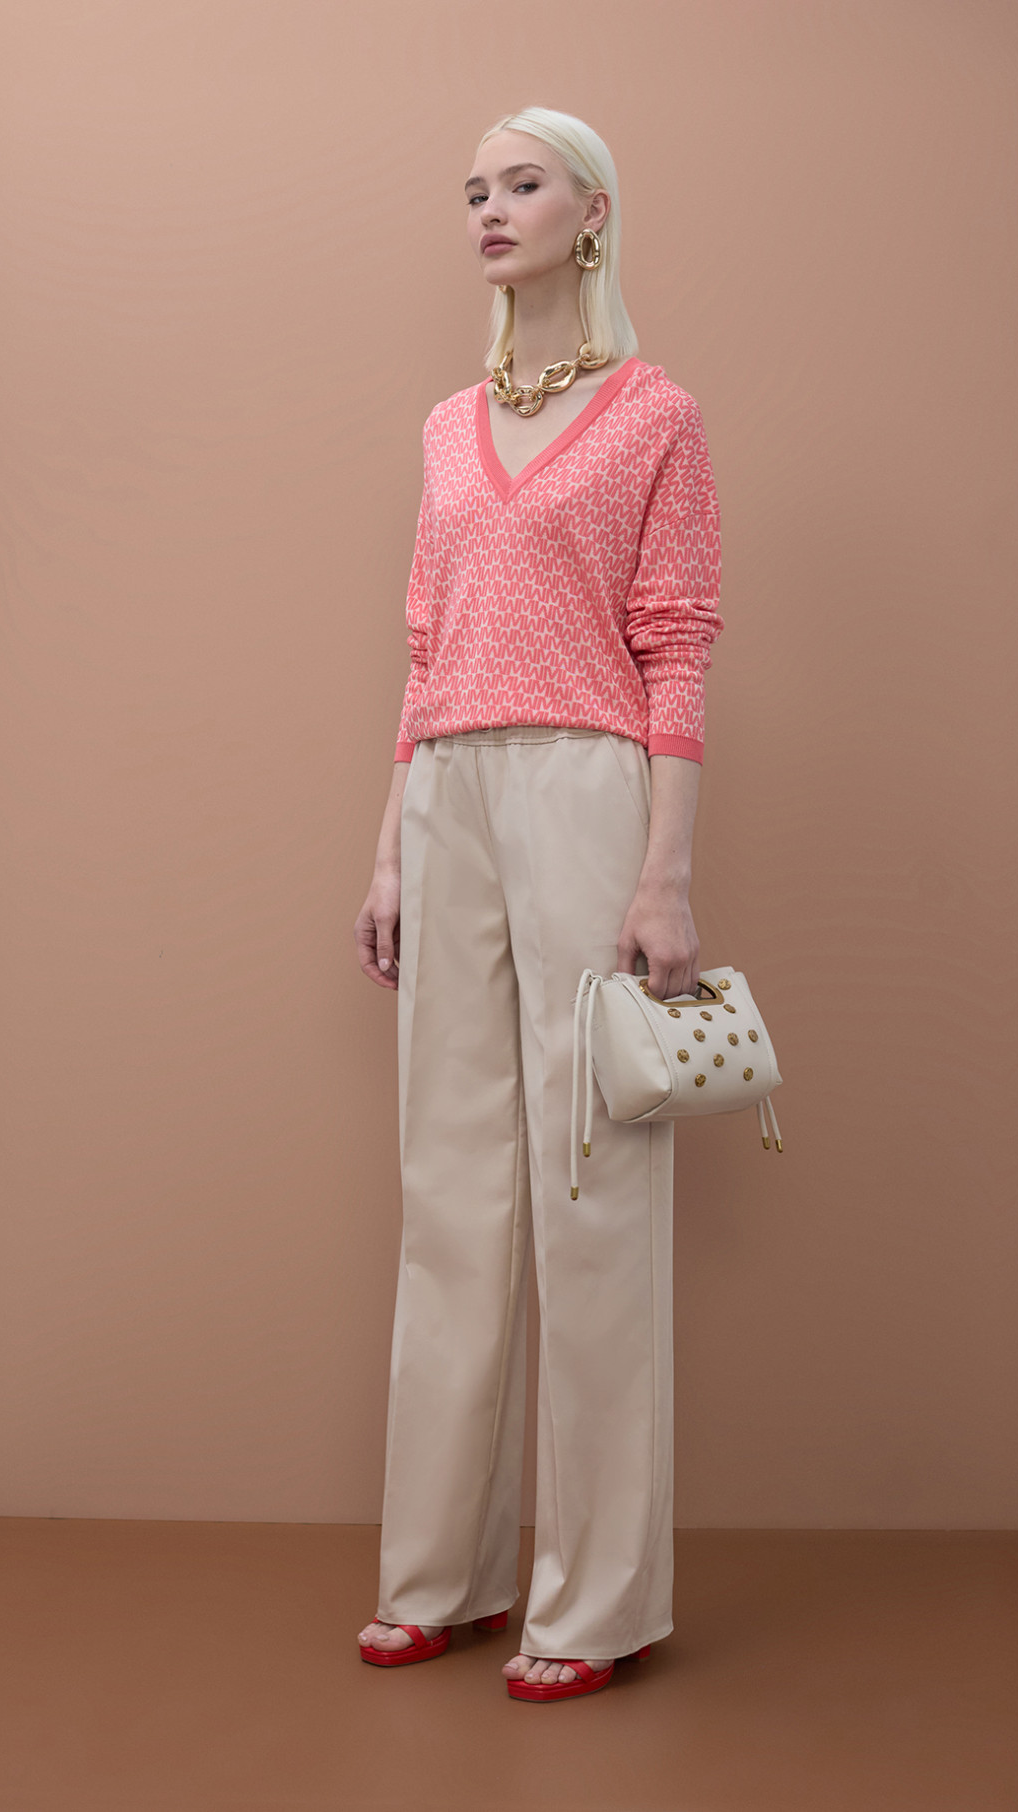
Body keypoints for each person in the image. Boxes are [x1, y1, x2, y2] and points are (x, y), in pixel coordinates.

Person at [351, 105, 724, 1702]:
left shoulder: (657, 415)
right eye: (475, 191)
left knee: (592, 1187)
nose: (490, 210)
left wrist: (664, 871)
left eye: (522, 184)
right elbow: (425, 650)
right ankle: (440, 1576)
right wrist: (390, 848)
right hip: (448, 791)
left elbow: (678, 645)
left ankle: (597, 1602)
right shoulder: (448, 426)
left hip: (587, 789)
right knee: (449, 1188)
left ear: (594, 212)